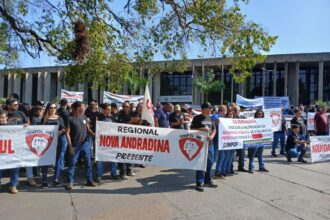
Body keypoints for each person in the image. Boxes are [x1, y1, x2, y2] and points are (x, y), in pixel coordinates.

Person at [5, 98, 37, 187]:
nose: (17, 106)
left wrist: (27, 125)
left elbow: (27, 122)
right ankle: (15, 180)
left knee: (27, 159)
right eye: (15, 105)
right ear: (8, 105)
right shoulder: (4, 114)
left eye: (17, 104)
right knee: (13, 162)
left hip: (22, 141)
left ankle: (30, 178)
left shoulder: (20, 113)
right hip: (9, 142)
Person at [65, 101, 97, 190]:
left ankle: (89, 180)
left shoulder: (84, 117)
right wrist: (70, 146)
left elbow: (88, 130)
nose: (84, 107)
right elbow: (67, 133)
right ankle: (70, 182)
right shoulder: (70, 119)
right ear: (78, 108)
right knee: (72, 164)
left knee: (88, 163)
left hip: (85, 144)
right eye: (83, 106)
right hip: (75, 145)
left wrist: (95, 135)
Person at [191, 102, 217, 192]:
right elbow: (192, 129)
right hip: (200, 145)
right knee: (200, 163)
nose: (211, 110)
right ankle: (199, 183)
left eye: (211, 109)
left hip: (210, 144)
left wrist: (212, 136)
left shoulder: (211, 118)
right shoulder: (197, 118)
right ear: (204, 109)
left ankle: (207, 180)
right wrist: (202, 129)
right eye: (209, 108)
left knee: (210, 162)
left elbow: (214, 129)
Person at [39, 103, 67, 187]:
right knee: (45, 160)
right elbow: (40, 130)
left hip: (59, 141)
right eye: (51, 107)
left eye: (55, 107)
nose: (53, 109)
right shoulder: (44, 118)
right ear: (48, 108)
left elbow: (64, 129)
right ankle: (44, 181)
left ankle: (56, 179)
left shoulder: (59, 118)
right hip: (47, 142)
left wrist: (59, 132)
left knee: (58, 160)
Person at [95, 103, 119, 183]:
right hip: (101, 141)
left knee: (113, 157)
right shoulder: (99, 117)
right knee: (100, 158)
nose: (110, 110)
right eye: (108, 109)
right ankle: (99, 175)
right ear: (104, 110)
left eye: (110, 109)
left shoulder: (113, 117)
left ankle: (114, 173)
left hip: (112, 140)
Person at [0, 109, 20, 194]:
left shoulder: (12, 127)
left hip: (11, 152)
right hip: (1, 153)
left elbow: (21, 133)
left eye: (3, 117)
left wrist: (25, 127)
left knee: (14, 168)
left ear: (7, 118)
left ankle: (13, 185)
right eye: (0, 118)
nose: (1, 119)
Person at [116, 101, 137, 180]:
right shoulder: (119, 114)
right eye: (124, 106)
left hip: (131, 137)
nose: (126, 108)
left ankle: (129, 170)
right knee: (122, 156)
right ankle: (122, 173)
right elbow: (120, 126)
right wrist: (131, 121)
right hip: (122, 138)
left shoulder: (133, 113)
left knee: (130, 155)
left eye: (127, 106)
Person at [212, 105, 228, 179]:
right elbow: (215, 123)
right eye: (225, 110)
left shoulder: (224, 117)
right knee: (214, 157)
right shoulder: (215, 116)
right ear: (223, 110)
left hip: (222, 139)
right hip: (216, 139)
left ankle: (218, 172)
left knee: (222, 156)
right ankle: (207, 172)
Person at [233, 106, 248, 172]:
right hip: (232, 139)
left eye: (236, 110)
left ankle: (241, 167)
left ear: (239, 111)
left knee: (242, 154)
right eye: (234, 110)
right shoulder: (230, 118)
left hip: (241, 139)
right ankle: (230, 168)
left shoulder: (243, 118)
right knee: (231, 155)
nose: (235, 111)